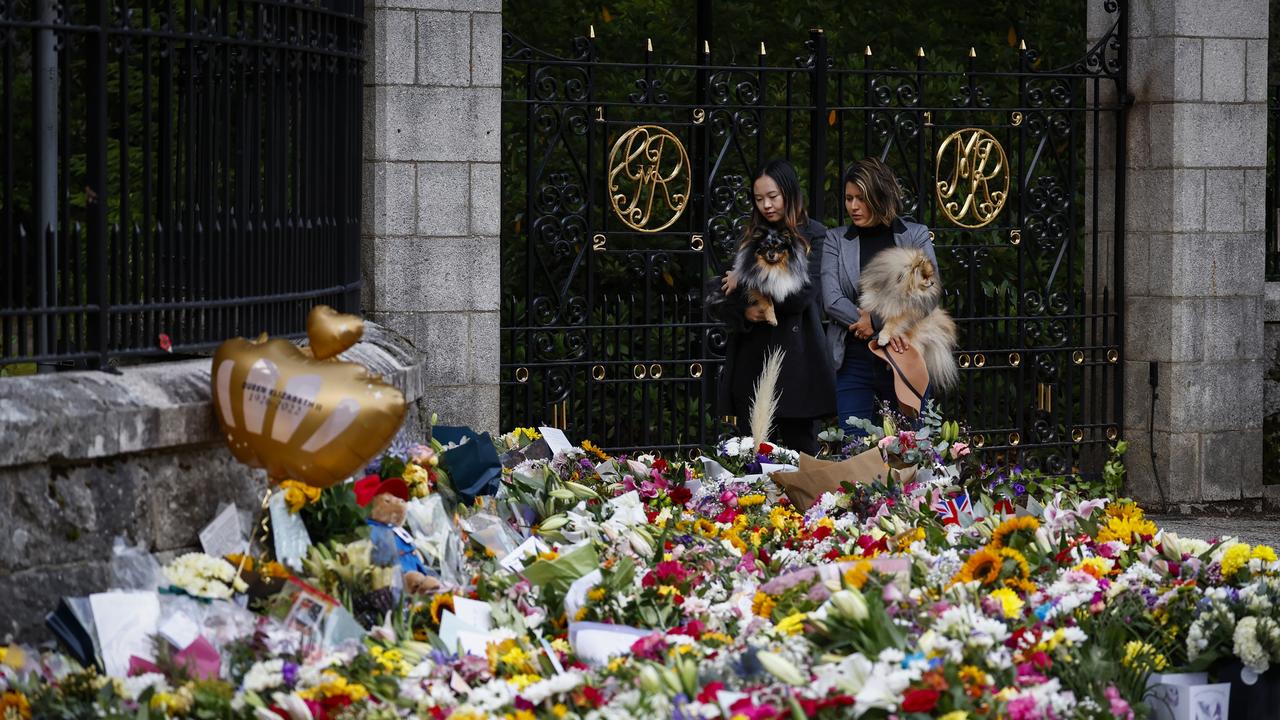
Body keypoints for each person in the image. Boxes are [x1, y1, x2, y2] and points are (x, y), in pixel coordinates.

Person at [715, 159, 834, 455]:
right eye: (758, 199)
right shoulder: (750, 235)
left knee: (802, 458)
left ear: (789, 193)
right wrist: (744, 312)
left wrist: (745, 278)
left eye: (773, 196)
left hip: (796, 360)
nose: (766, 205)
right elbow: (720, 296)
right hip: (751, 360)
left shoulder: (816, 235)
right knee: (751, 458)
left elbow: (801, 297)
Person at [822, 157, 939, 435]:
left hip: (905, 354)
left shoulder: (915, 235)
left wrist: (875, 320)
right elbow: (832, 299)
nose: (853, 206)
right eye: (848, 198)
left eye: (861, 198)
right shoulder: (835, 239)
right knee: (855, 451)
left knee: (910, 450)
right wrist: (871, 325)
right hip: (853, 361)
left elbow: (929, 293)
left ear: (880, 195)